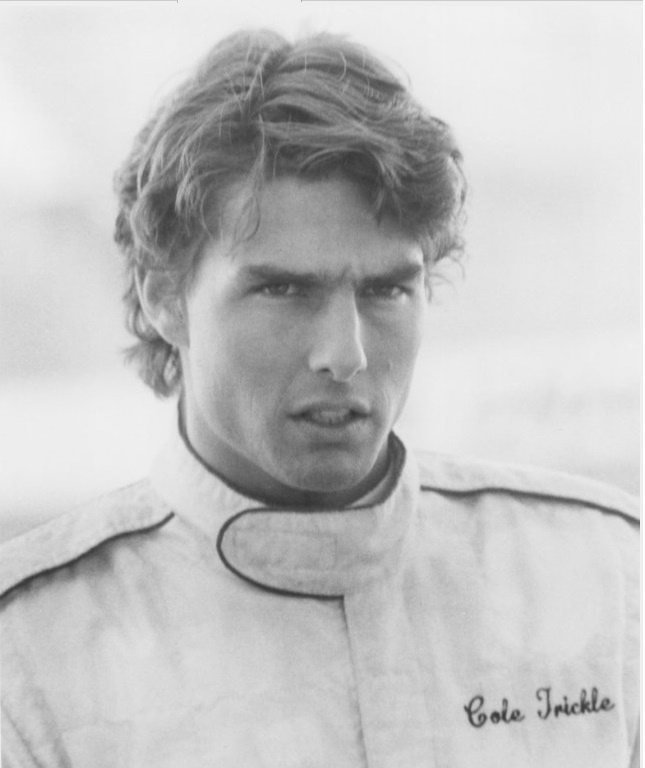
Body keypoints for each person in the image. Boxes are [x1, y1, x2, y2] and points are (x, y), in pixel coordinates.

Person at [0, 28, 638, 768]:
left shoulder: (605, 575)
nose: (346, 354)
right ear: (165, 296)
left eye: (386, 290)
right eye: (283, 290)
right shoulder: (31, 656)